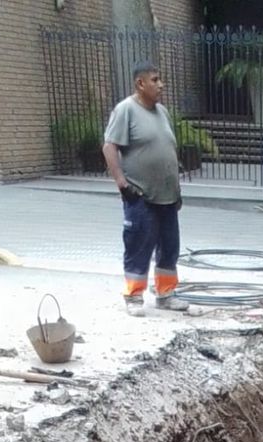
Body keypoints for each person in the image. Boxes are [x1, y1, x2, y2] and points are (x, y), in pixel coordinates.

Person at [102, 62, 188, 316]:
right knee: (139, 244)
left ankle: (165, 294)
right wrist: (122, 183)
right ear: (140, 84)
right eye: (155, 79)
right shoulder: (125, 110)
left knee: (169, 246)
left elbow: (167, 148)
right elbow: (109, 147)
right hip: (140, 194)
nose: (161, 84)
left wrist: (176, 187)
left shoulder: (162, 112)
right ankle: (134, 295)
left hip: (167, 195)